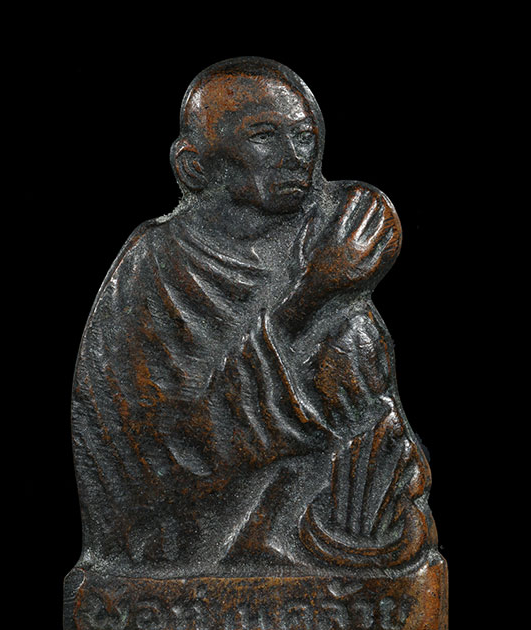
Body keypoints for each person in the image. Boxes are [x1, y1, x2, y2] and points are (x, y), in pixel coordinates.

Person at [72, 57, 436, 578]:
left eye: (305, 138)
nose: (297, 159)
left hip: (309, 526)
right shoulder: (155, 268)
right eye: (265, 137)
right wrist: (310, 296)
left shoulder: (313, 244)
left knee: (350, 335)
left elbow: (374, 421)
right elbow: (181, 446)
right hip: (169, 537)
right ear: (194, 166)